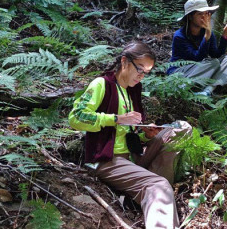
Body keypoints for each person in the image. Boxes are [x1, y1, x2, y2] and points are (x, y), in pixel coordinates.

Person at [69, 41, 186, 229]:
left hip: (131, 157)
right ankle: (154, 189)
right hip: (106, 159)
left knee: (180, 130)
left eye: (146, 72)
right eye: (140, 69)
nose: (141, 75)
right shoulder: (102, 84)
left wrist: (147, 135)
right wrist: (116, 118)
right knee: (159, 185)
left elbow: (130, 135)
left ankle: (148, 190)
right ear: (124, 61)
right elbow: (76, 118)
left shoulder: (132, 91)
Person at [167, 0, 227, 96]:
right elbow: (196, 57)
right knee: (213, 63)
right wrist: (207, 35)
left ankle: (207, 91)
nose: (204, 17)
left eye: (206, 13)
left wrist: (225, 35)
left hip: (200, 70)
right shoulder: (180, 36)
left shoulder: (206, 32)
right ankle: (183, 88)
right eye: (200, 14)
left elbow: (216, 54)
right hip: (179, 72)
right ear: (190, 17)